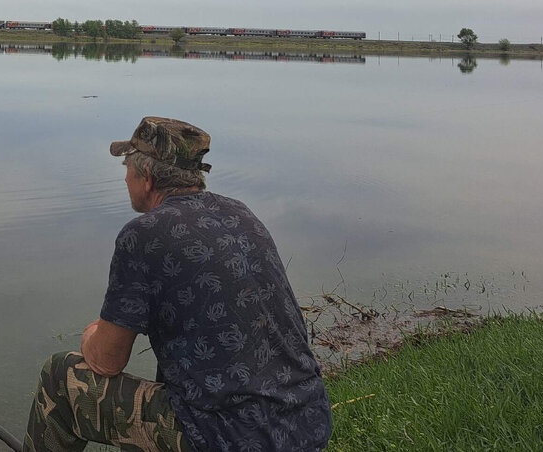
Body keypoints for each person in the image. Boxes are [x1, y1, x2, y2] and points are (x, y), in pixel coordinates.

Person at [24, 117, 331, 452]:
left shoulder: (143, 234)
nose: (125, 176)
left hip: (228, 438)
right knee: (169, 380)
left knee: (59, 376)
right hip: (306, 423)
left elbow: (106, 360)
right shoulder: (240, 214)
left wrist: (91, 335)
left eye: (127, 165)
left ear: (146, 177)